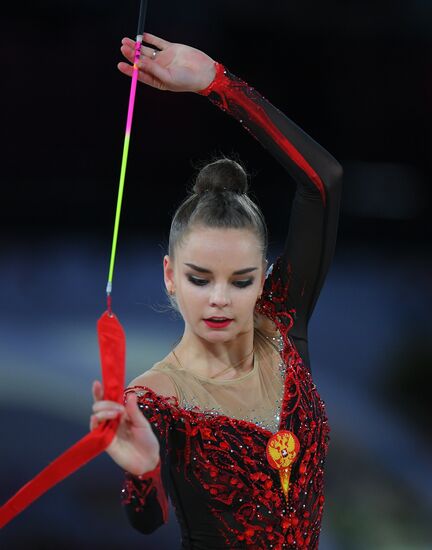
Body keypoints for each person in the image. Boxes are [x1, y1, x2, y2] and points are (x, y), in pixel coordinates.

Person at [90, 32, 343, 549]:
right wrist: (142, 472)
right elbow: (147, 518)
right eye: (199, 278)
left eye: (243, 280)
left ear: (263, 277)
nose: (220, 299)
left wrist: (216, 83)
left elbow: (324, 181)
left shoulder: (282, 324)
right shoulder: (154, 397)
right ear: (169, 274)